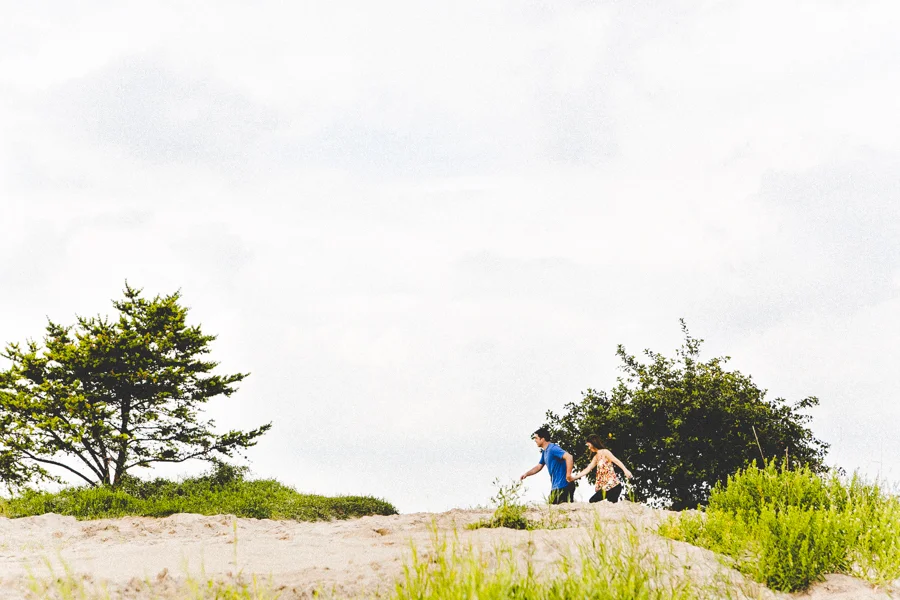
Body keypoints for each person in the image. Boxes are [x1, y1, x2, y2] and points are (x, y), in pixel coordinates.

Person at [569, 434, 633, 503]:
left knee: (594, 501)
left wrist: (625, 470)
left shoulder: (605, 452)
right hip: (606, 487)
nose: (589, 448)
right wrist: (574, 477)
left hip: (613, 485)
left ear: (593, 443)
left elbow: (616, 461)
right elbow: (588, 469)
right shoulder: (596, 457)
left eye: (589, 445)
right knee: (594, 501)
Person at [520, 427, 577, 504]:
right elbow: (538, 467)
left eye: (536, 438)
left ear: (542, 439)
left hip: (564, 485)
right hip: (556, 486)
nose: (535, 440)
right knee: (551, 509)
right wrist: (526, 474)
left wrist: (568, 475)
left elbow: (569, 457)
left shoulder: (553, 448)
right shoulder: (545, 452)